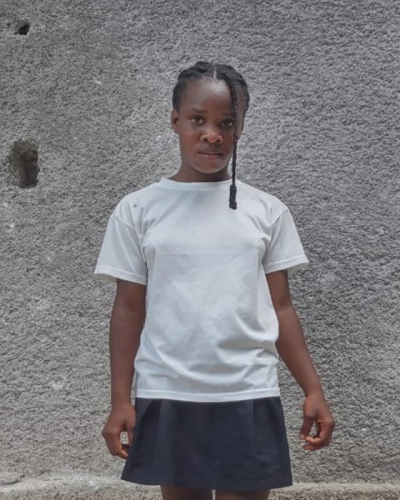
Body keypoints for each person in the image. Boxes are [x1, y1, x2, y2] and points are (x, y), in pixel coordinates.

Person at [94, 61, 335, 500]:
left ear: (240, 127)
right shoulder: (138, 210)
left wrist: (313, 389)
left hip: (247, 388)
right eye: (197, 119)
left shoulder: (267, 211)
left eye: (226, 122)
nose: (212, 134)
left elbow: (281, 307)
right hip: (169, 389)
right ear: (175, 121)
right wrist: (120, 400)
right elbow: (128, 308)